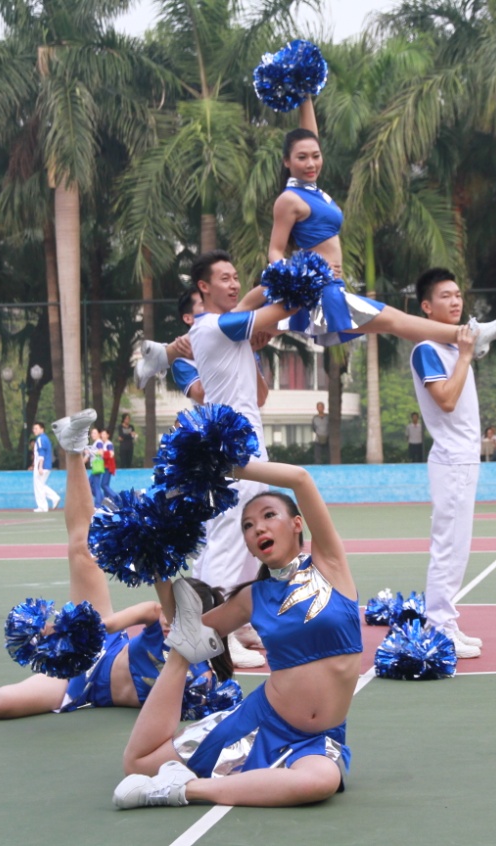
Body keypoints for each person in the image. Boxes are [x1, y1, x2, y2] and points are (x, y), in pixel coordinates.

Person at [0, 410, 233, 719]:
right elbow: (106, 626)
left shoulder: (201, 675)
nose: (168, 620)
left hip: (88, 692)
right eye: (172, 609)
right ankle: (74, 448)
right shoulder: (153, 613)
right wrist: (57, 630)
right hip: (95, 653)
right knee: (84, 549)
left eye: (183, 616)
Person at [112, 458, 360, 810]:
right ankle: (193, 778)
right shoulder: (252, 597)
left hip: (317, 740)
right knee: (138, 764)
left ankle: (184, 789)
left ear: (297, 524)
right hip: (258, 722)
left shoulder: (329, 567)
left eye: (269, 516)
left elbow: (300, 478)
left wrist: (219, 467)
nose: (258, 528)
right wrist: (157, 561)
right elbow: (188, 633)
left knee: (321, 781)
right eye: (248, 525)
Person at [262, 97, 496, 355]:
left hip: (333, 286)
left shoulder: (311, 190)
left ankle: (468, 339)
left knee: (395, 322)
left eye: (316, 156)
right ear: (287, 161)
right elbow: (274, 251)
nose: (311, 163)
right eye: (301, 158)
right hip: (320, 290)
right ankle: (471, 335)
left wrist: (305, 95)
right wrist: (300, 277)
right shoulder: (289, 199)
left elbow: (309, 136)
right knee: (395, 320)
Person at [186, 250, 298, 669]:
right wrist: (305, 282)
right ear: (203, 287)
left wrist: (284, 270)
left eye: (236, 277)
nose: (233, 284)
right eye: (224, 279)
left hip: (247, 443)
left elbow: (256, 299)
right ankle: (215, 633)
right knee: (231, 538)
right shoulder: (213, 326)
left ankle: (240, 621)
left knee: (252, 538)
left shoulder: (231, 328)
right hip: (232, 449)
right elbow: (277, 311)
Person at [409, 268, 486, 660]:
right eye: (445, 296)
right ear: (426, 307)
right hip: (451, 459)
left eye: (458, 295)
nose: (455, 301)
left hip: (464, 459)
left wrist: (466, 352)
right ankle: (438, 627)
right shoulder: (427, 349)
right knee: (448, 547)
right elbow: (446, 400)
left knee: (458, 548)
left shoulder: (453, 349)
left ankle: (446, 621)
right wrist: (467, 355)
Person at [133, 289, 270, 412]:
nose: (213, 307)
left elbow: (260, 399)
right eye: (204, 304)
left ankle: (161, 355)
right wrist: (204, 358)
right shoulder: (182, 362)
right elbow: (205, 397)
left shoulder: (241, 345)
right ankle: (161, 356)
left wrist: (248, 353)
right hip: (218, 429)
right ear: (188, 318)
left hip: (249, 426)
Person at [31, 421, 61, 512]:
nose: (34, 430)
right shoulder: (45, 438)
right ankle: (54, 498)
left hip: (42, 466)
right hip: (46, 465)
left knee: (38, 486)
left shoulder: (40, 439)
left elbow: (41, 453)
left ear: (42, 429)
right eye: (34, 429)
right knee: (40, 485)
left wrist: (40, 466)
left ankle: (43, 506)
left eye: (36, 428)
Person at [100, 429, 119, 505]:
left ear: (108, 435)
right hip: (105, 466)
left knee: (104, 484)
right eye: (102, 434)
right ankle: (107, 500)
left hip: (108, 466)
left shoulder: (108, 444)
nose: (103, 436)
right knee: (106, 484)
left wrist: (103, 454)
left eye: (104, 434)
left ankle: (115, 497)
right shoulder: (103, 444)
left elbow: (111, 454)